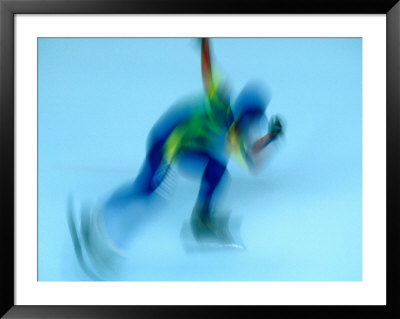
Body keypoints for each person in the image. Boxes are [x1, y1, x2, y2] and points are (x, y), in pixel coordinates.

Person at [68, 38, 283, 279]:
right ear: (243, 116)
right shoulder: (219, 99)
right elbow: (209, 68)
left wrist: (271, 138)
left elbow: (253, 162)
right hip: (166, 141)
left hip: (186, 148)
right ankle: (99, 214)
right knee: (148, 193)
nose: (246, 131)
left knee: (218, 170)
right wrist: (204, 42)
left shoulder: (237, 137)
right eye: (248, 125)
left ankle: (202, 221)